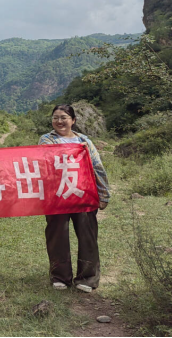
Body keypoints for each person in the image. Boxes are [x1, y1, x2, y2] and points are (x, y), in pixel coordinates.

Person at [39, 104, 110, 293]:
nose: (59, 121)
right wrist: (74, 150)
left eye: (64, 117)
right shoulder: (46, 139)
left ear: (73, 120)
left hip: (83, 195)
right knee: (57, 236)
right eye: (55, 117)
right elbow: (44, 161)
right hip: (57, 197)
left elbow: (97, 167)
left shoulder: (84, 141)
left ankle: (87, 278)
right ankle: (60, 276)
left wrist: (103, 194)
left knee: (88, 236)